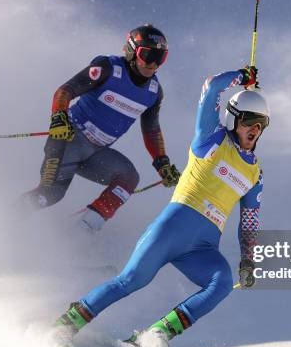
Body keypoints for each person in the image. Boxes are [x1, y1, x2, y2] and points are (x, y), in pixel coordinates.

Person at [55, 65, 268, 346]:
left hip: (202, 247)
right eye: (249, 121)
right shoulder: (211, 138)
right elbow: (212, 86)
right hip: (171, 229)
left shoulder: (255, 173)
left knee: (222, 283)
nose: (254, 129)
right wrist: (241, 77)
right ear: (232, 118)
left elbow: (249, 220)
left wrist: (248, 260)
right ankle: (67, 323)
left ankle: (157, 335)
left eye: (261, 124)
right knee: (130, 281)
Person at [21, 24, 180, 232]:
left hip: (96, 153)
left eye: (160, 58)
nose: (152, 64)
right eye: (147, 55)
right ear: (132, 51)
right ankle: (2, 226)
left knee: (129, 179)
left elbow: (151, 130)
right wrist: (59, 117)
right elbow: (65, 91)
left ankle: (81, 233)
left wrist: (162, 163)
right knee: (51, 194)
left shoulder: (153, 92)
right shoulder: (107, 69)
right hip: (68, 140)